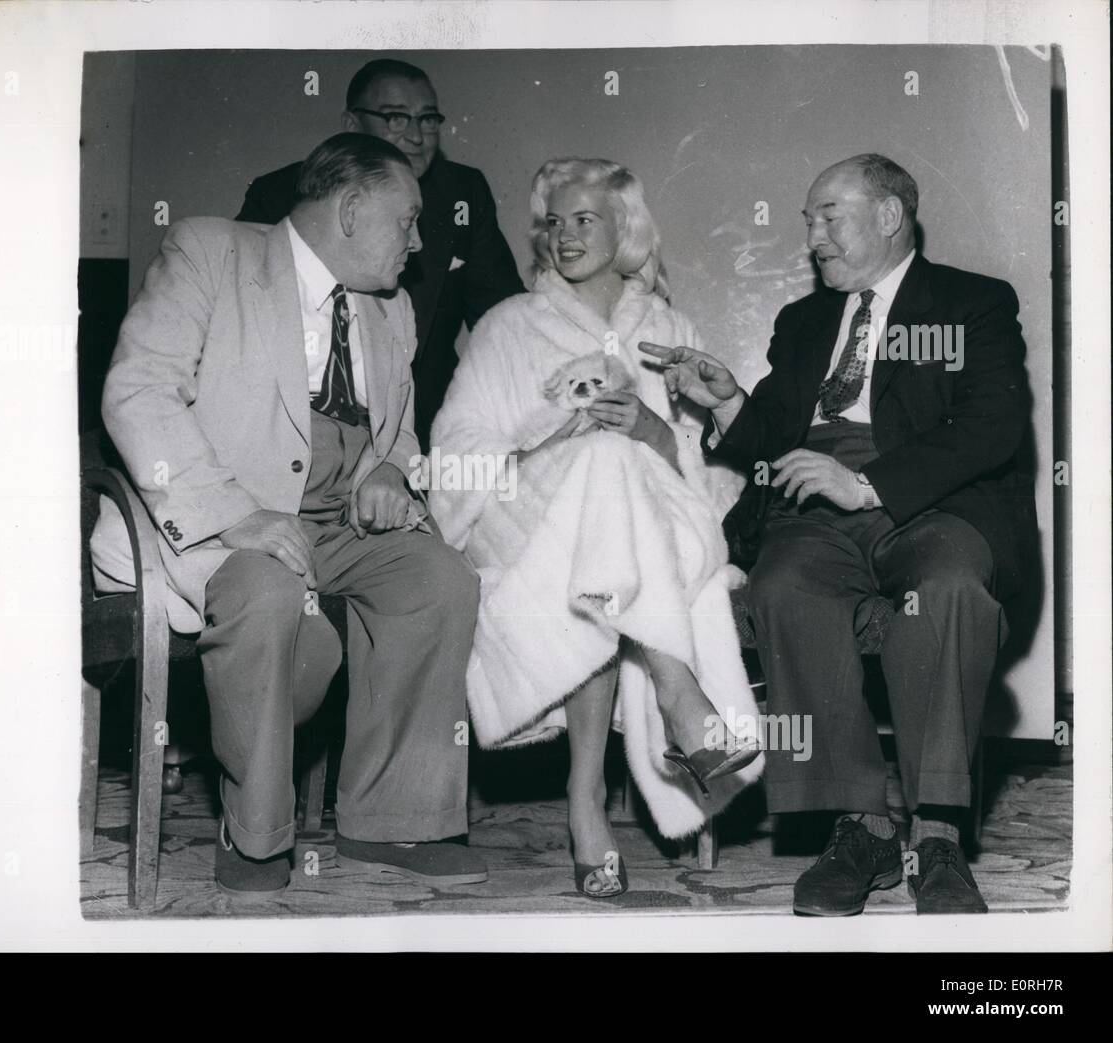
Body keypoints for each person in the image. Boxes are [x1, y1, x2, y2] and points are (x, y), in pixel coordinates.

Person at [91, 133, 485, 894]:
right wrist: (233, 514)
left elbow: (400, 437)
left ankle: (394, 817)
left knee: (440, 578)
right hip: (229, 510)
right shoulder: (213, 253)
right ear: (351, 206)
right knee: (268, 594)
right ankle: (255, 836)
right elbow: (138, 389)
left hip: (340, 520)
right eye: (408, 220)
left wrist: (390, 474)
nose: (418, 241)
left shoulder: (392, 311)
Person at [644, 154, 1037, 915]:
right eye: (807, 221)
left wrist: (866, 483)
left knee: (950, 588)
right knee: (785, 587)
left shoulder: (971, 302)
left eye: (829, 215)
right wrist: (726, 403)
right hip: (813, 513)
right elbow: (772, 438)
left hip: (934, 504)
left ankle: (940, 833)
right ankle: (862, 825)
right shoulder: (804, 321)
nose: (813, 235)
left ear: (889, 216)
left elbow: (990, 424)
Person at [430, 158, 761, 899]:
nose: (564, 235)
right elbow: (453, 458)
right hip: (524, 514)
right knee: (598, 466)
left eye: (585, 220)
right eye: (554, 221)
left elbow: (713, 471)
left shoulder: (669, 330)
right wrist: (552, 444)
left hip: (644, 527)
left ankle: (584, 801)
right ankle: (682, 700)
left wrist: (650, 427)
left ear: (628, 231)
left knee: (612, 500)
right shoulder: (508, 325)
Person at [236, 58, 525, 447]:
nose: (416, 136)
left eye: (427, 119)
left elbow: (504, 314)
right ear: (353, 125)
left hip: (427, 423)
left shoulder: (463, 193)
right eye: (396, 118)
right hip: (300, 432)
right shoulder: (285, 193)